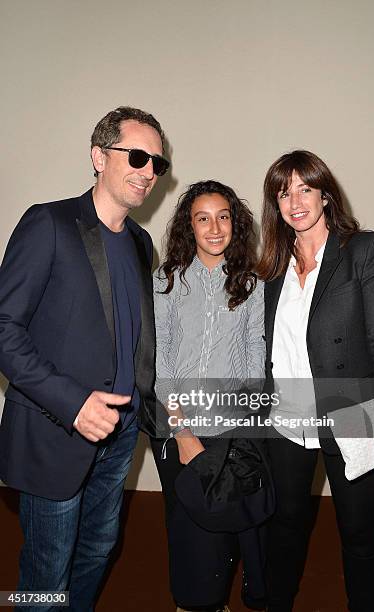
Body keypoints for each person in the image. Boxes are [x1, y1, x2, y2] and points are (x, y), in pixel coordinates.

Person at [0, 106, 169, 610]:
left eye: (157, 163)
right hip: (58, 431)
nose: (148, 172)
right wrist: (73, 405)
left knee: (97, 549)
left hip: (119, 437)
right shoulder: (48, 222)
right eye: (136, 156)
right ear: (99, 156)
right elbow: (4, 329)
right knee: (47, 569)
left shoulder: (141, 244)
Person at [257, 149, 374, 612]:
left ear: (325, 194)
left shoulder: (362, 249)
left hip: (352, 412)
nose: (295, 200)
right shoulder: (271, 269)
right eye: (284, 192)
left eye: (305, 188)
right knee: (284, 526)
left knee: (358, 533)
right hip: (285, 420)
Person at [152, 180, 273, 612]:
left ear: (234, 224)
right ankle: (191, 602)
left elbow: (256, 352)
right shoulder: (166, 280)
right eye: (203, 218)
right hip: (177, 425)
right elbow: (160, 358)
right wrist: (181, 429)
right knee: (186, 524)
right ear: (190, 225)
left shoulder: (252, 284)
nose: (214, 227)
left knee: (223, 526)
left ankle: (216, 598)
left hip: (231, 428)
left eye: (223, 216)